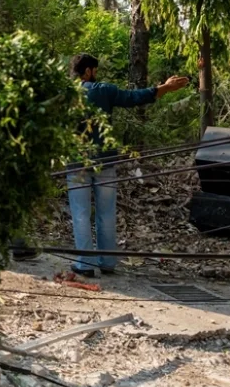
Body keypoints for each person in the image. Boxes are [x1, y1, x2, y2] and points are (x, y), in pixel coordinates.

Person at [67, 54, 189, 277]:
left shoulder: (66, 95)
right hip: (106, 162)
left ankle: (85, 264)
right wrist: (165, 88)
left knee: (81, 213)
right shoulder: (103, 90)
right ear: (87, 71)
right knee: (106, 213)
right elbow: (134, 97)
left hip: (77, 163)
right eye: (94, 69)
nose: (96, 73)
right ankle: (108, 262)